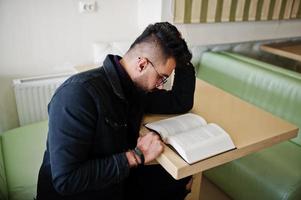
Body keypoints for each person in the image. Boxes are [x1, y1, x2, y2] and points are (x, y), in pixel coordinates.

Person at [36, 22, 196, 200]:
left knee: (181, 178)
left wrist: (182, 56)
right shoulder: (77, 95)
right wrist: (136, 155)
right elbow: (66, 180)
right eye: (162, 78)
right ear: (142, 65)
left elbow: (180, 102)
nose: (159, 85)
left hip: (113, 176)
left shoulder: (135, 88)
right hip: (79, 191)